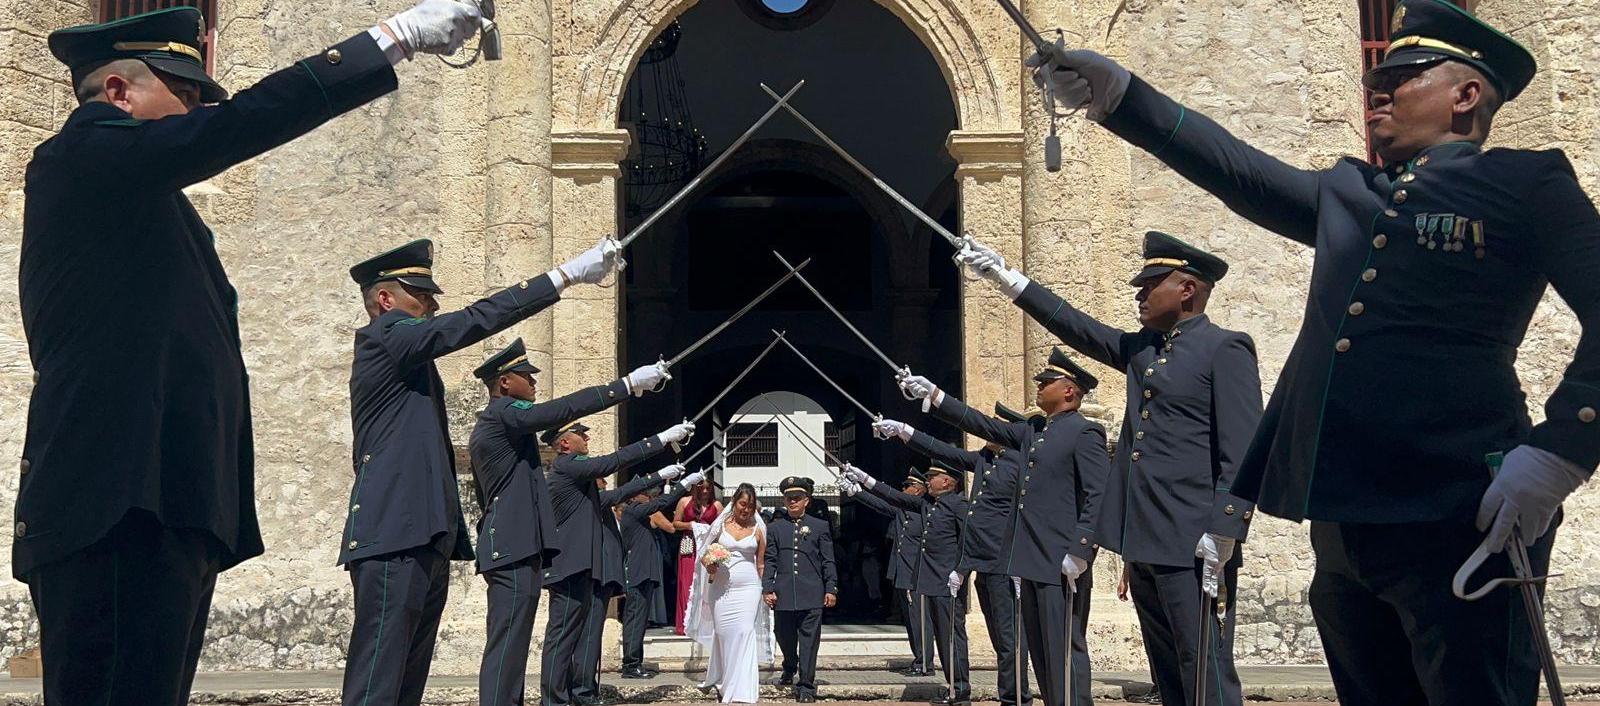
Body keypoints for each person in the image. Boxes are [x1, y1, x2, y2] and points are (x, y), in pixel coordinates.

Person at [1020, 0, 1599, 703]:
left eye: (1404, 74)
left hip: (1456, 508)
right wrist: (1125, 98)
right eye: (1378, 73)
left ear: (1466, 94)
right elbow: (1239, 172)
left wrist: (1563, 449)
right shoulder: (1351, 192)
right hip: (1346, 522)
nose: (1376, 88)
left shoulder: (1524, 182)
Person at [15, 3, 481, 704]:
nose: (201, 113)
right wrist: (391, 42)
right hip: (110, 505)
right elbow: (237, 128)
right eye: (189, 96)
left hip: (166, 506)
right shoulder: (79, 158)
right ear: (118, 92)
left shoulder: (153, 204)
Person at [958, 232, 1260, 706]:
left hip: (1193, 540)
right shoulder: (1145, 352)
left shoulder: (1225, 349)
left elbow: (1242, 451)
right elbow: (1079, 328)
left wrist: (1224, 532)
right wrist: (1007, 279)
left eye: (1151, 285)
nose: (1139, 295)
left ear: (1187, 289)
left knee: (1204, 665)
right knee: (1169, 670)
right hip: (1145, 541)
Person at [341, 231, 623, 706]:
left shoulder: (409, 362)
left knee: (405, 680)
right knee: (377, 681)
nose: (431, 306)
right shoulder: (384, 337)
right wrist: (564, 276)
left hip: (422, 533)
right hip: (392, 531)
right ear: (385, 299)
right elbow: (472, 322)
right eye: (422, 296)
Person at [468, 338, 670, 706]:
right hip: (511, 546)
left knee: (513, 646)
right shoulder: (501, 415)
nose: (533, 383)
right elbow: (561, 409)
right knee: (507, 646)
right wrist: (625, 386)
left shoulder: (508, 429)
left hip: (519, 546)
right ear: (503, 384)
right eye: (525, 377)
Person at [868, 401, 1040, 706]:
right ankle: (1009, 696)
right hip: (985, 563)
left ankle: (1017, 699)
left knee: (1010, 637)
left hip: (1006, 562)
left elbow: (1029, 512)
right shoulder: (988, 460)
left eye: (996, 425)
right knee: (1000, 638)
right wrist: (906, 433)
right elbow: (949, 454)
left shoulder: (1020, 462)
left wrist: (1021, 557)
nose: (988, 429)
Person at [540, 420, 696, 706]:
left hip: (584, 570)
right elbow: (614, 464)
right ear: (564, 443)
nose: (587, 438)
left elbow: (619, 493)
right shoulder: (567, 466)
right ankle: (554, 700)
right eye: (579, 434)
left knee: (582, 637)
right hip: (568, 568)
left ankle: (577, 695)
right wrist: (659, 439)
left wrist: (659, 476)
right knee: (562, 637)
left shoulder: (581, 487)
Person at [845, 465, 970, 706]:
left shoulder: (958, 505)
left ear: (947, 482)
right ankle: (954, 687)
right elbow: (892, 498)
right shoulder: (927, 506)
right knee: (943, 639)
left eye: (933, 478)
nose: (929, 481)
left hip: (948, 582)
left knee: (952, 637)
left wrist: (961, 571)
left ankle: (961, 690)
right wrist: (865, 481)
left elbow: (969, 540)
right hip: (931, 581)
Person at [685, 483, 775, 704]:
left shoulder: (759, 529)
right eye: (743, 504)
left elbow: (761, 563)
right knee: (725, 635)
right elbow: (705, 554)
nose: (746, 509)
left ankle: (741, 686)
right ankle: (724, 679)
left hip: (749, 588)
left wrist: (767, 587)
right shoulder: (721, 525)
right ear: (734, 502)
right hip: (721, 589)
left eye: (751, 506)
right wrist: (710, 564)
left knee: (744, 632)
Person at [761, 477, 839, 703]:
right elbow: (771, 560)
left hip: (812, 592)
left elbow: (828, 560)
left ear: (807, 500)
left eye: (797, 498)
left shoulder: (819, 525)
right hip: (784, 592)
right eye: (788, 498)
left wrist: (831, 588)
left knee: (809, 641)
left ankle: (806, 685)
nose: (792, 502)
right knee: (783, 636)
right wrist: (768, 588)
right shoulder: (775, 527)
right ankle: (789, 664)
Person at [849, 470, 934, 676]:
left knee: (920, 620)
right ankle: (919, 658)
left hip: (918, 574)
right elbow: (880, 504)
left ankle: (925, 662)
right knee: (910, 619)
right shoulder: (902, 511)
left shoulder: (924, 510)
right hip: (902, 573)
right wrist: (856, 492)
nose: (903, 490)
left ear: (919, 490)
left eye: (907, 486)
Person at [620, 475, 705, 678]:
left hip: (644, 572)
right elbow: (663, 512)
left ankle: (635, 661)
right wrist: (681, 485)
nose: (649, 497)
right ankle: (631, 665)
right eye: (645, 493)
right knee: (635, 619)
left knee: (639, 620)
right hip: (638, 572)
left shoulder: (639, 512)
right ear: (634, 495)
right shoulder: (634, 511)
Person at [674, 480, 723, 634]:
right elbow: (675, 523)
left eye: (708, 488)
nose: (705, 491)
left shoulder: (717, 506)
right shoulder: (684, 501)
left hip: (708, 548)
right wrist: (690, 525)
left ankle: (705, 624)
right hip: (689, 544)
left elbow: (722, 527)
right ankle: (685, 623)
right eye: (702, 488)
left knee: (706, 584)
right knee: (687, 582)